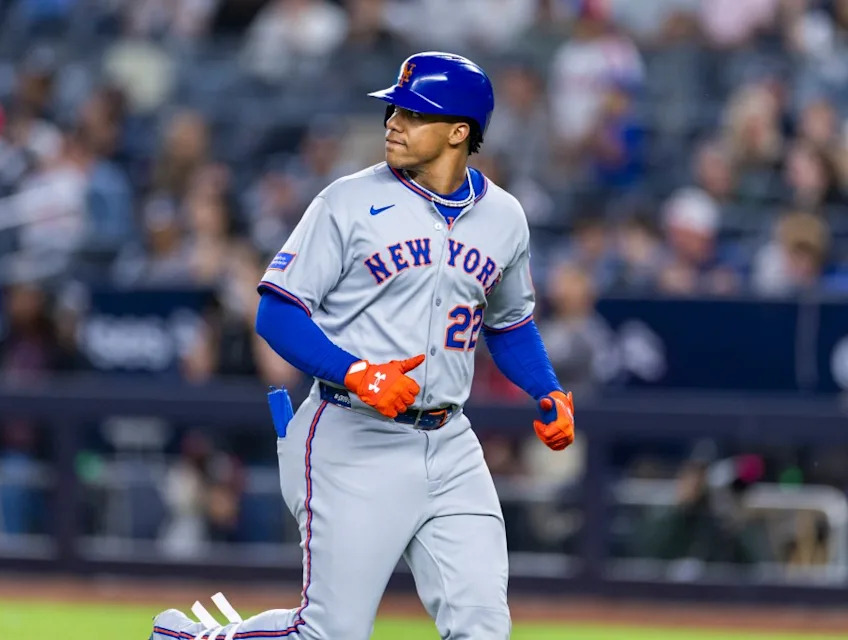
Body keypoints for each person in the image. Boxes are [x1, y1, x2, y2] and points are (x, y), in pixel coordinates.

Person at [150, 51, 575, 640]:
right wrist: (355, 372)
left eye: (413, 113)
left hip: (451, 445)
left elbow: (508, 324)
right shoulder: (346, 202)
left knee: (483, 627)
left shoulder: (505, 218)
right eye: (393, 109)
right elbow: (275, 311)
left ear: (460, 132)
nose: (393, 122)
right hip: (351, 434)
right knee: (329, 633)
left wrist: (546, 388)